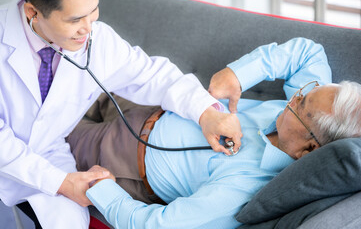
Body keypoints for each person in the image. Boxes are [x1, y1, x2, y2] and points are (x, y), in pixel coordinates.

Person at [0, 0, 242, 228]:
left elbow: (152, 77)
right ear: (33, 12)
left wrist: (205, 112)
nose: (88, 28)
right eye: (75, 20)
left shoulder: (96, 39)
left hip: (49, 152)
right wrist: (61, 183)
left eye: (93, 10)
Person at [67, 37, 361, 228]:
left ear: (308, 151)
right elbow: (307, 53)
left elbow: (161, 226)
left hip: (125, 157)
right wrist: (237, 74)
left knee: (39, 126)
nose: (295, 96)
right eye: (306, 90)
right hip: (161, 101)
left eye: (301, 103)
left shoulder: (245, 191)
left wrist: (101, 191)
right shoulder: (313, 105)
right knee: (64, 76)